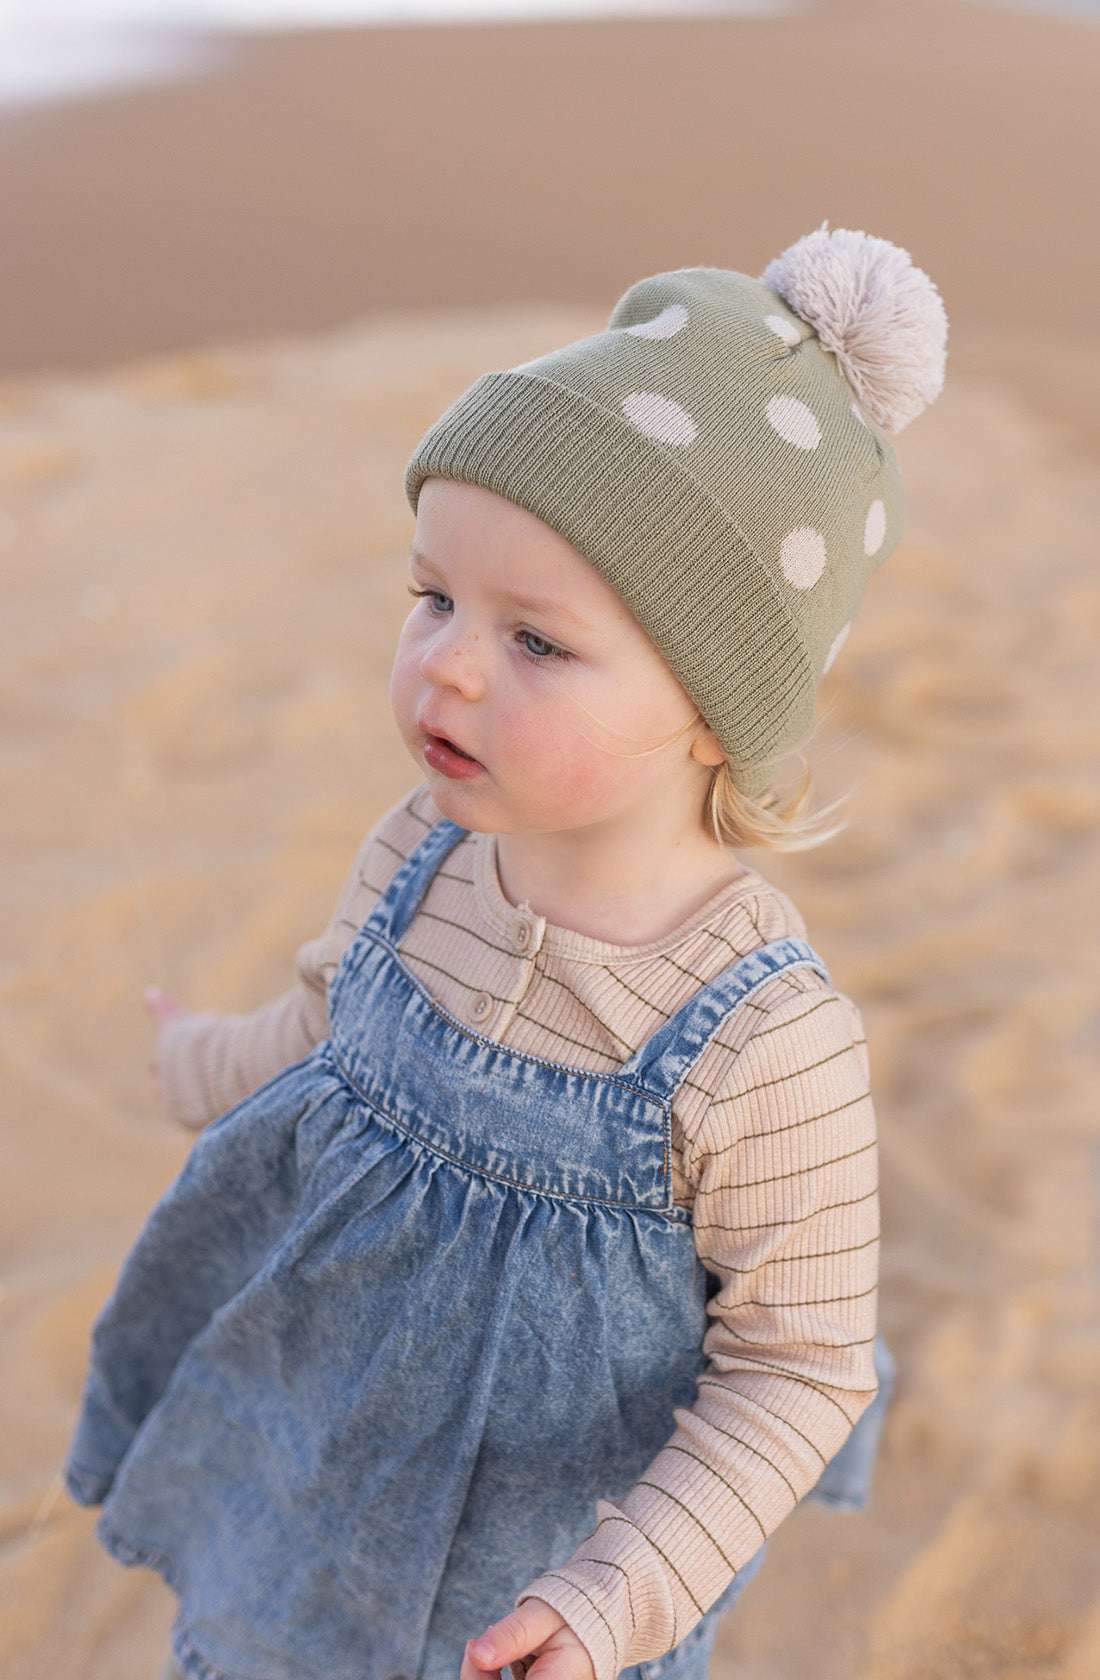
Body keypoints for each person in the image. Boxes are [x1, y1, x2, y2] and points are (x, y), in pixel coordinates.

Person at [66, 226, 946, 1680]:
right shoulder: (417, 854)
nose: (448, 664)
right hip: (312, 1480)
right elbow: (317, 1037)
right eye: (433, 598)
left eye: (537, 640)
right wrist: (191, 1060)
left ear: (716, 711)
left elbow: (798, 1373)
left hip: (545, 1596)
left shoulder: (761, 1042)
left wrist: (615, 1601)